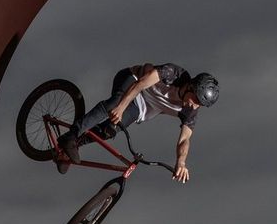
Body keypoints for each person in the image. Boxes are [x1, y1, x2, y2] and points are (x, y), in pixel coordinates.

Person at [56, 63, 219, 182]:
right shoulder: (173, 74)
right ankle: (71, 135)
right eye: (195, 99)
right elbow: (140, 84)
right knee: (114, 105)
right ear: (190, 86)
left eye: (200, 104)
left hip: (141, 106)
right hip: (132, 81)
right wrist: (120, 107)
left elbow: (184, 139)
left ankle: (74, 145)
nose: (194, 105)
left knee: (111, 130)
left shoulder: (190, 111)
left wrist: (181, 162)